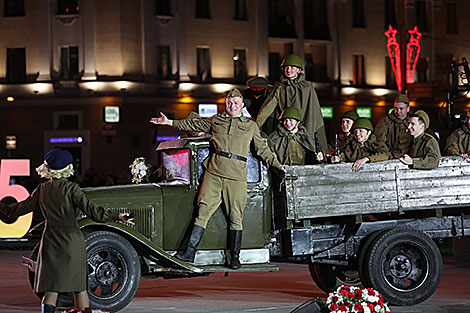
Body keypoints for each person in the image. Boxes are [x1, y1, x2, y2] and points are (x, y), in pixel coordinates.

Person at [150, 88, 284, 270]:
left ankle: (234, 257)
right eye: (229, 103)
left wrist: (277, 164)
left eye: (236, 103)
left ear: (242, 105)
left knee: (236, 216)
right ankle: (190, 252)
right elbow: (194, 125)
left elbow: (262, 149)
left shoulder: (250, 126)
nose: (232, 106)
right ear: (225, 105)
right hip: (214, 172)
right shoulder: (216, 121)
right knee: (202, 211)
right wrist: (169, 122)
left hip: (236, 176)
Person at [0, 149, 134, 313]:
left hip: (50, 241)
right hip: (72, 241)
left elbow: (15, 211)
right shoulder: (72, 189)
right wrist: (117, 216)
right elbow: (93, 212)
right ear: (68, 168)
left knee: (52, 287)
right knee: (79, 287)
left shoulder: (42, 190)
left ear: (47, 168)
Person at [255, 54, 328, 152]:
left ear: (299, 70)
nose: (289, 70)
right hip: (284, 129)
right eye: (286, 67)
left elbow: (312, 114)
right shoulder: (279, 87)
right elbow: (267, 108)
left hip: (302, 131)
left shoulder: (307, 88)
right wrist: (255, 126)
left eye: (292, 67)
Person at [375, 94, 413, 158]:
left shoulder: (413, 121)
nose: (398, 111)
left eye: (401, 109)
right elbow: (378, 141)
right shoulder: (385, 121)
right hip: (390, 157)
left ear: (408, 109)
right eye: (396, 108)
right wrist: (388, 155)